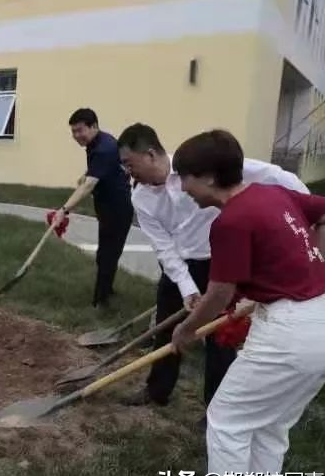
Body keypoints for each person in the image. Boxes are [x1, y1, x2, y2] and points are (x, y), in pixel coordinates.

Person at [170, 129, 325, 476]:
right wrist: (305, 261)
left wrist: (186, 328)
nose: (183, 188)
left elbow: (220, 293)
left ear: (209, 177)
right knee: (269, 428)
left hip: (289, 336)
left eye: (186, 177)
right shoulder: (273, 194)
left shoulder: (230, 222)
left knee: (227, 422)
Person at [117, 123, 310, 412]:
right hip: (178, 268)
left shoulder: (198, 166)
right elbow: (164, 248)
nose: (127, 171)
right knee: (166, 327)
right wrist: (187, 288)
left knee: (219, 337)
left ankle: (215, 407)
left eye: (129, 164)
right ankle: (157, 389)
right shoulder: (140, 197)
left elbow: (276, 176)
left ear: (150, 154)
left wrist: (309, 207)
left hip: (217, 264)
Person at [53, 108, 133, 308]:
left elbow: (88, 186)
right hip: (107, 206)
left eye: (80, 130)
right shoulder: (98, 142)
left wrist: (63, 210)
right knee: (107, 253)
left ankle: (100, 301)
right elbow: (99, 169)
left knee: (107, 254)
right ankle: (107, 291)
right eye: (73, 132)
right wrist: (87, 173)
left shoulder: (104, 147)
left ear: (94, 126)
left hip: (118, 208)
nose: (76, 136)